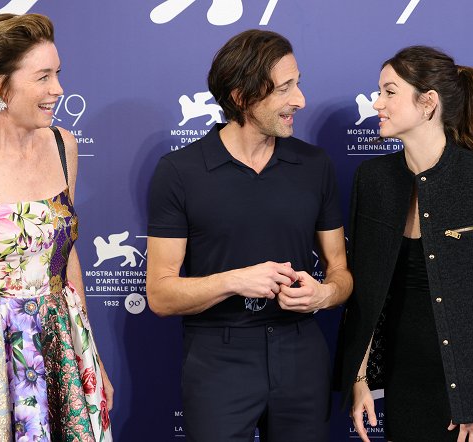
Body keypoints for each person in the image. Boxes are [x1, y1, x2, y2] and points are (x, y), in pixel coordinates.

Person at [146, 29, 352, 441]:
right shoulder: (180, 172)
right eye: (285, 88)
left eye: (298, 83)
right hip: (218, 357)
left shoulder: (314, 165)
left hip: (301, 353)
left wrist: (323, 295)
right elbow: (161, 295)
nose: (300, 100)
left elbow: (340, 271)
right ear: (241, 97)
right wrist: (235, 280)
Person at [334, 46, 473, 442]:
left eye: (389, 92)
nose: (377, 103)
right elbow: (365, 295)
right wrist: (360, 380)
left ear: (428, 103)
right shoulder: (373, 180)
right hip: (405, 382)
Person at [0, 14, 113, 441]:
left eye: (57, 74)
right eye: (43, 77)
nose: (58, 90)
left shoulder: (64, 145)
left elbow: (66, 255)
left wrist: (93, 361)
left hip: (65, 338)